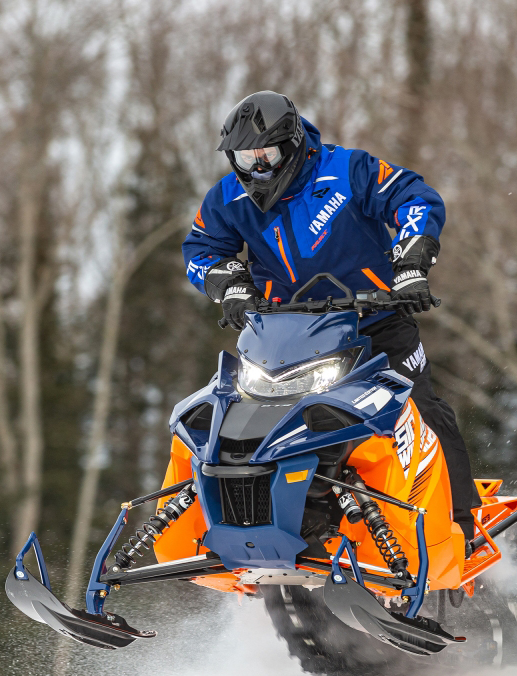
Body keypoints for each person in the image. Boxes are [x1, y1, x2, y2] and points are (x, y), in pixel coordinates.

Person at [181, 90, 490, 571]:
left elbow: (414, 197)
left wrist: (411, 262)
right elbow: (201, 248)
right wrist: (230, 284)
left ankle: (461, 525)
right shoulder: (228, 198)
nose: (258, 168)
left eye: (267, 156)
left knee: (420, 410)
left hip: (375, 324)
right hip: (283, 337)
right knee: (229, 420)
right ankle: (223, 528)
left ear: (293, 143)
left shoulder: (347, 171)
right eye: (245, 158)